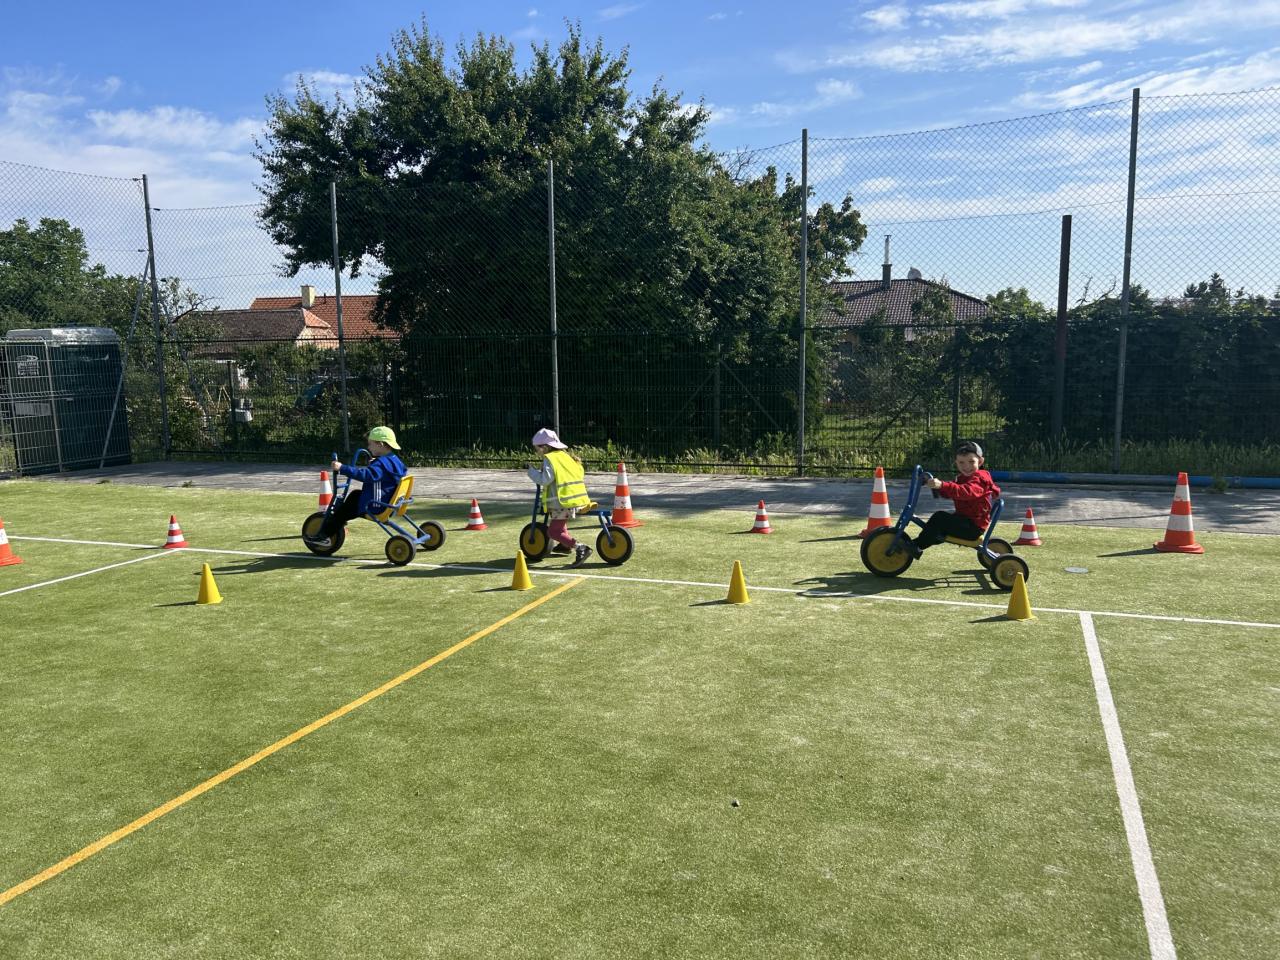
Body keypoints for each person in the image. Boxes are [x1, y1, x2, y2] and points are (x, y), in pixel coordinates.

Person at [309, 426, 408, 545]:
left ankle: (324, 536)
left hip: (375, 506)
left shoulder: (381, 464)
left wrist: (342, 468)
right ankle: (340, 520)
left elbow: (366, 475)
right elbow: (385, 473)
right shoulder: (394, 460)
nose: (368, 447)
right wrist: (376, 463)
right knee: (355, 495)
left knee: (345, 510)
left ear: (380, 444)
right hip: (389, 502)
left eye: (370, 444)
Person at [916, 440, 1000, 556]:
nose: (966, 466)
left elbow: (966, 491)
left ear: (980, 461)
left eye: (971, 462)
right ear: (956, 462)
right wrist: (936, 486)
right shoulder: (962, 478)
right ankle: (921, 543)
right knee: (939, 524)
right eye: (961, 462)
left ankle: (916, 546)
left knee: (939, 518)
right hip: (965, 521)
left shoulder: (980, 479)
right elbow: (952, 493)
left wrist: (943, 485)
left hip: (973, 528)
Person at [526, 428, 593, 567]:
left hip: (561, 501)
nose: (537, 452)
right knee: (559, 524)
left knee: (553, 531)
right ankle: (565, 545)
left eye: (537, 449)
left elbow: (545, 479)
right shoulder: (565, 456)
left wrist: (531, 471)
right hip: (572, 498)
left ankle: (580, 547)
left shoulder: (550, 458)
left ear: (544, 447)